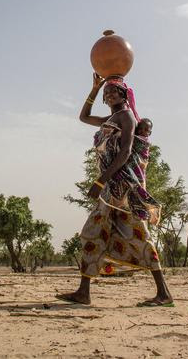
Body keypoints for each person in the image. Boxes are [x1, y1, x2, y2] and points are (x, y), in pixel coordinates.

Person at [56, 73, 173, 306]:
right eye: (105, 93)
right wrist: (94, 88)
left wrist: (101, 180)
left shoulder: (126, 117)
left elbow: (126, 152)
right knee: (93, 232)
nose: (108, 95)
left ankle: (163, 293)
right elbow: (83, 116)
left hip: (122, 188)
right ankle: (84, 292)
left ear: (123, 95)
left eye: (113, 91)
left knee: (138, 236)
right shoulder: (111, 119)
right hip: (111, 189)